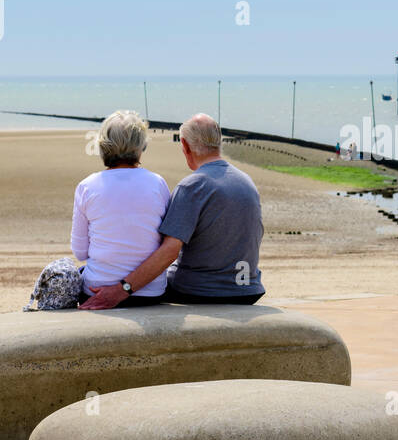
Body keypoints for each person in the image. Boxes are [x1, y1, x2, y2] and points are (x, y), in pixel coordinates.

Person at [80, 113, 265, 309]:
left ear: (184, 145)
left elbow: (169, 252)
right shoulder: (247, 181)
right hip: (248, 289)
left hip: (203, 291)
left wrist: (121, 289)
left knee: (141, 282)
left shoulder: (193, 186)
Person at [67, 110, 171, 307]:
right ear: (141, 147)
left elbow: (80, 252)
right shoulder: (157, 183)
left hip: (96, 289)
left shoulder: (87, 186)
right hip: (150, 291)